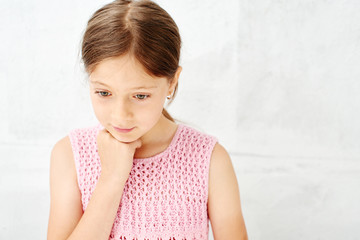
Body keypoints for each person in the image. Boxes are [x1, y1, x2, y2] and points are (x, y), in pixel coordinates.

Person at [47, 0, 248, 239]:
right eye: (104, 93)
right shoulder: (71, 155)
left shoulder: (209, 159)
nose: (120, 114)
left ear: (172, 82)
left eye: (140, 95)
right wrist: (111, 178)